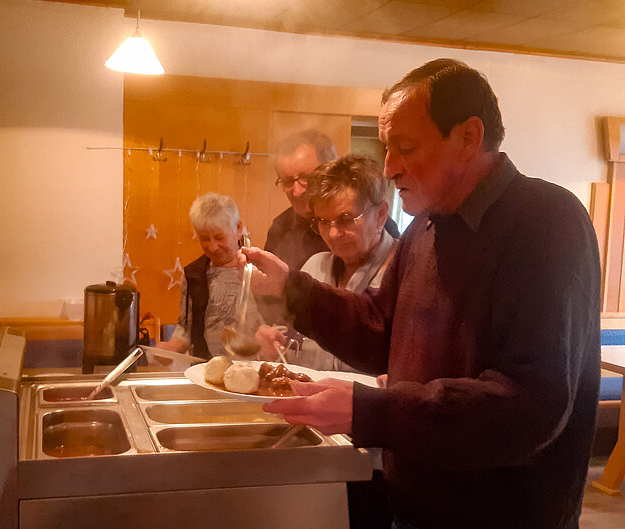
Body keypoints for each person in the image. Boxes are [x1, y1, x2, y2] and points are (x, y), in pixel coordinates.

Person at [239, 58, 601, 529]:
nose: (389, 168)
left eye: (405, 147)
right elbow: (380, 330)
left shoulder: (545, 221)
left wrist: (370, 411)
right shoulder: (426, 226)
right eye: (387, 148)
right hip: (413, 505)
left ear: (468, 137)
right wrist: (293, 291)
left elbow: (529, 404)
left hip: (502, 517)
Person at [256, 154, 396, 372]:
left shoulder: (402, 268)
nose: (332, 234)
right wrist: (273, 341)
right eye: (322, 221)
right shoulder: (315, 266)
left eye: (346, 219)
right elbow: (291, 336)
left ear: (381, 215)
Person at [265, 129, 400, 271]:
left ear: (331, 172)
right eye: (287, 181)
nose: (297, 192)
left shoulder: (375, 223)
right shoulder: (281, 227)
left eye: (307, 178)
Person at [159, 193, 262, 359]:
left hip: (253, 368)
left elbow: (279, 324)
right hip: (205, 369)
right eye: (204, 238)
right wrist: (173, 347)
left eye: (219, 237)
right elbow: (186, 327)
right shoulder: (194, 275)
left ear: (237, 228)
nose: (212, 247)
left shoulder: (260, 269)